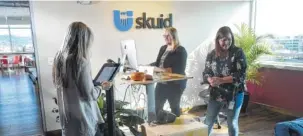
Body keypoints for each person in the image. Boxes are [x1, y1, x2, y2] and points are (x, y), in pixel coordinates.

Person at [52, 22, 111, 136]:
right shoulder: (81, 62)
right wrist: (101, 86)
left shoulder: (58, 58)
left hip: (68, 119)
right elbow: (90, 95)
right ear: (83, 41)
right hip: (83, 119)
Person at [202, 26, 247, 136]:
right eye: (223, 40)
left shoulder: (238, 52)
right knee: (208, 121)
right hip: (216, 94)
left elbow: (241, 75)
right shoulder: (212, 54)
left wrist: (221, 80)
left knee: (232, 123)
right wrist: (210, 80)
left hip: (234, 94)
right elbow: (206, 73)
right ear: (218, 40)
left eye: (229, 39)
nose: (227, 42)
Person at [150, 27, 188, 119]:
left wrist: (159, 69)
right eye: (164, 36)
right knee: (157, 107)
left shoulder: (180, 51)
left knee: (174, 108)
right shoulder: (163, 48)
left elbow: (177, 71)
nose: (165, 38)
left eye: (168, 36)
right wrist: (146, 66)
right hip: (161, 83)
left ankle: (177, 129)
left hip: (175, 84)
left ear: (174, 36)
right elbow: (158, 63)